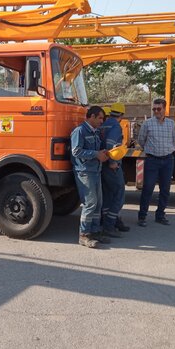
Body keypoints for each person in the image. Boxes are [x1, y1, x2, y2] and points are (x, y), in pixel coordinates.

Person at [71, 105, 109, 248]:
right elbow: (76, 151)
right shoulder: (80, 131)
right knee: (90, 203)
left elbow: (93, 150)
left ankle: (95, 232)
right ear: (91, 117)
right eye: (100, 118)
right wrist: (96, 154)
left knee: (98, 203)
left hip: (95, 170)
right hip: (85, 172)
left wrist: (102, 152)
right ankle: (84, 235)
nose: (101, 121)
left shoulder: (95, 131)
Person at [137, 98, 175, 227]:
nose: (156, 111)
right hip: (152, 161)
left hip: (167, 160)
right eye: (154, 109)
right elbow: (141, 140)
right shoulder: (147, 124)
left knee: (165, 190)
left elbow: (174, 140)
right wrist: (150, 150)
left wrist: (167, 151)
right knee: (148, 189)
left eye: (158, 109)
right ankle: (142, 216)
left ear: (164, 109)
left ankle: (160, 215)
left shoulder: (171, 124)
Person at [100, 102, 130, 237]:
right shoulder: (115, 126)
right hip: (112, 166)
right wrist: (112, 161)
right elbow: (110, 143)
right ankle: (110, 224)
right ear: (122, 115)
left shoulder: (104, 124)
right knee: (119, 194)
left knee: (107, 194)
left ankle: (107, 221)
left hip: (102, 165)